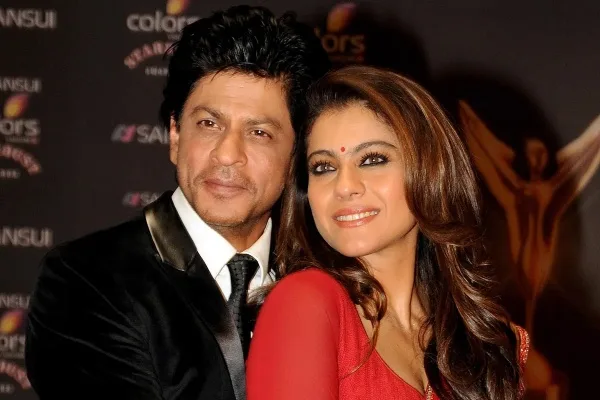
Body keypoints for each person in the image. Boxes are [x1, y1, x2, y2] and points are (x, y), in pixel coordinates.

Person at [24, 5, 329, 400]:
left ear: (297, 155)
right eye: (209, 124)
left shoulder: (327, 281)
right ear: (175, 134)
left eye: (258, 133)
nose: (227, 154)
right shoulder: (86, 280)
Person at [246, 66, 529, 400]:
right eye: (324, 167)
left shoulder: (484, 342)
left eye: (372, 159)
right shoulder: (306, 303)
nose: (345, 186)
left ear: (430, 170)